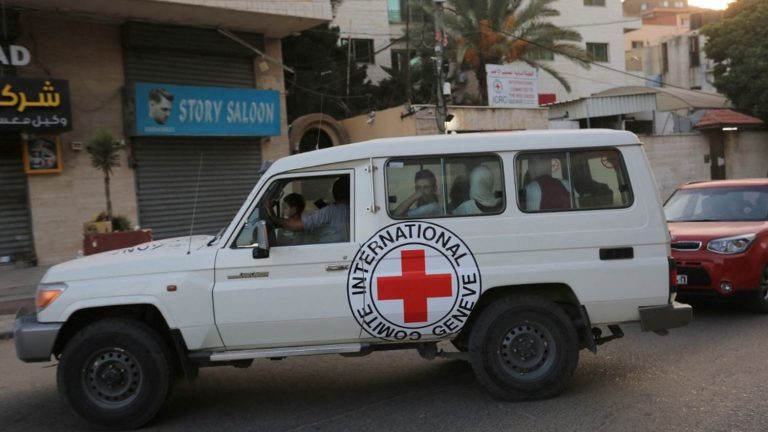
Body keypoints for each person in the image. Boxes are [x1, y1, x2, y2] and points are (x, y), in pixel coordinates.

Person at [268, 176, 350, 244]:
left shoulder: (331, 211)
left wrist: (272, 216)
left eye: (285, 207)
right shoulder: (352, 210)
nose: (283, 209)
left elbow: (296, 225)